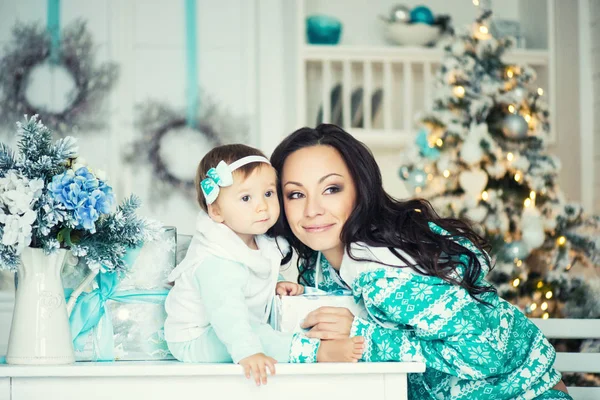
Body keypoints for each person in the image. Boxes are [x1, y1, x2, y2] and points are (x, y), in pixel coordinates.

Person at [270, 124, 571, 399]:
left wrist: (363, 336)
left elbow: (483, 352)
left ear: (360, 190)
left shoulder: (387, 267)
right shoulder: (320, 266)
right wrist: (297, 302)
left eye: (331, 189)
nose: (312, 209)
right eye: (296, 194)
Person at [164, 144, 365, 386]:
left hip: (235, 324)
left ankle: (307, 343)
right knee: (258, 335)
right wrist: (248, 352)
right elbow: (227, 314)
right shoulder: (216, 259)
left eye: (268, 194)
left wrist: (277, 284)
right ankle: (319, 352)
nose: (262, 206)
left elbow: (254, 273)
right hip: (195, 338)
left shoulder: (258, 241)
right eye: (246, 198)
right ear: (216, 211)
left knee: (273, 326)